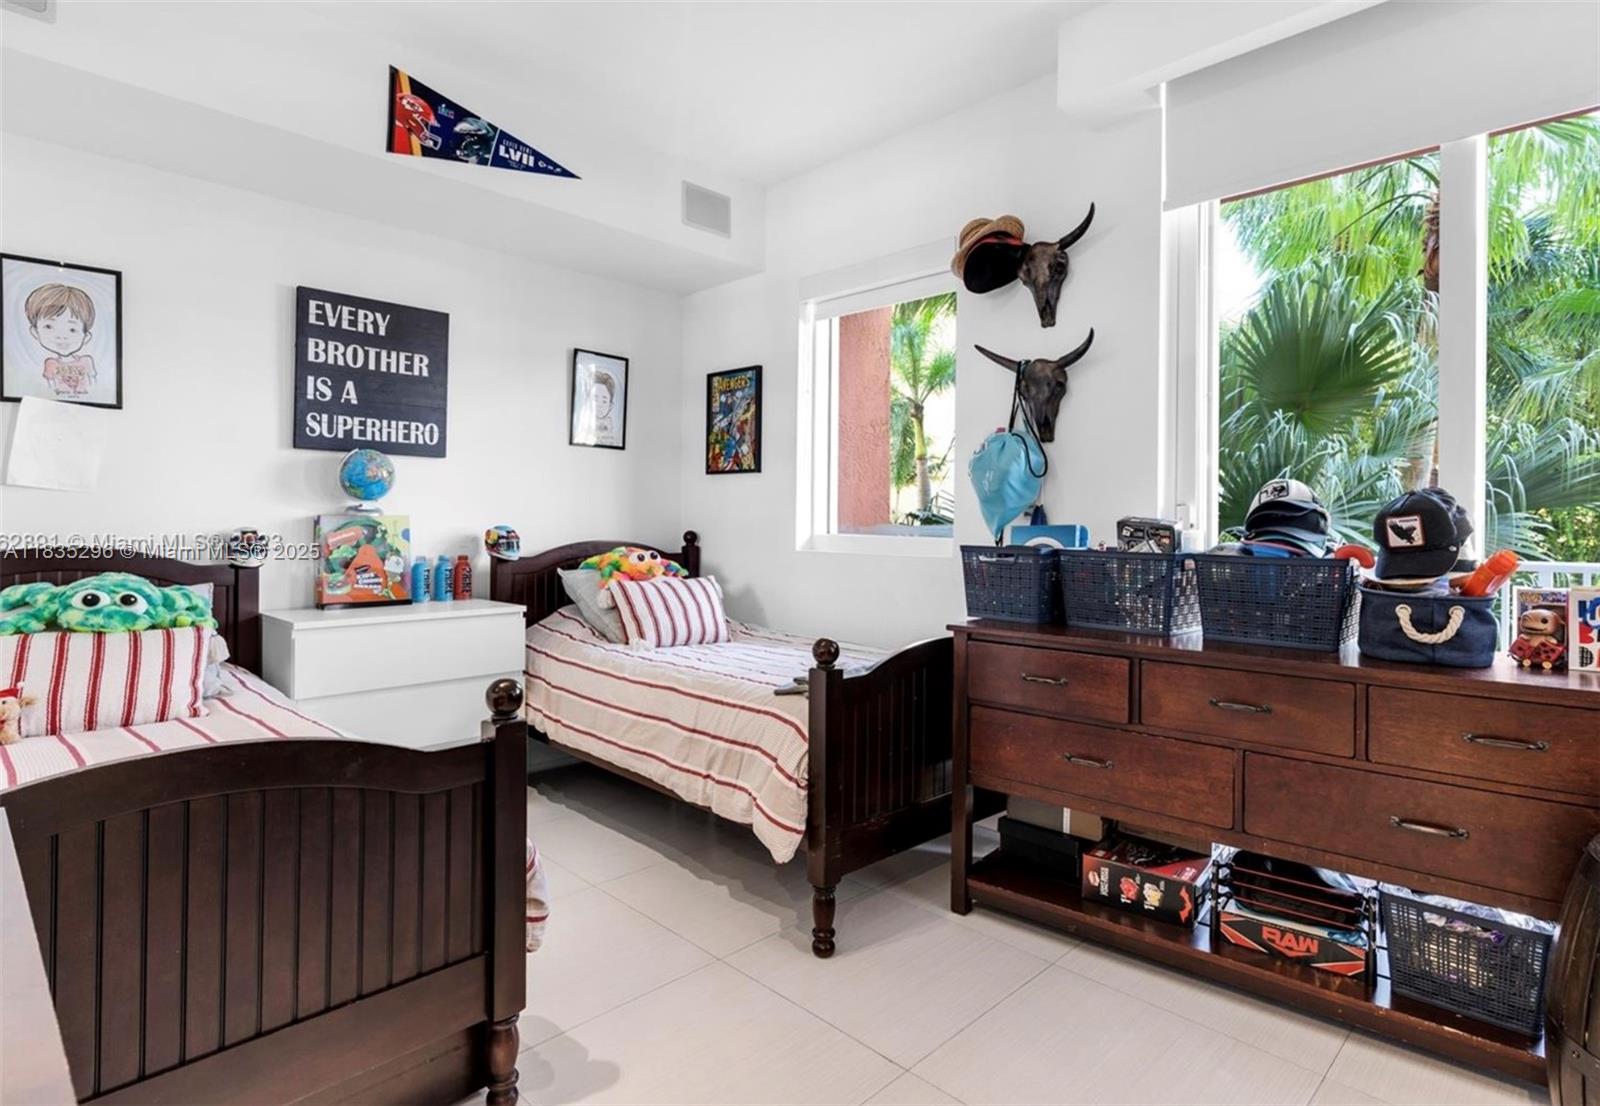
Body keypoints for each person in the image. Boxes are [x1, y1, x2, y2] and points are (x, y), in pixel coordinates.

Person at [24, 282, 97, 398]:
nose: (61, 336)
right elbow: (49, 388)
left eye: (72, 329)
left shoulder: (86, 361)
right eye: (49, 326)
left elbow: (94, 385)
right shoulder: (50, 364)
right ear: (35, 332)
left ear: (86, 337)